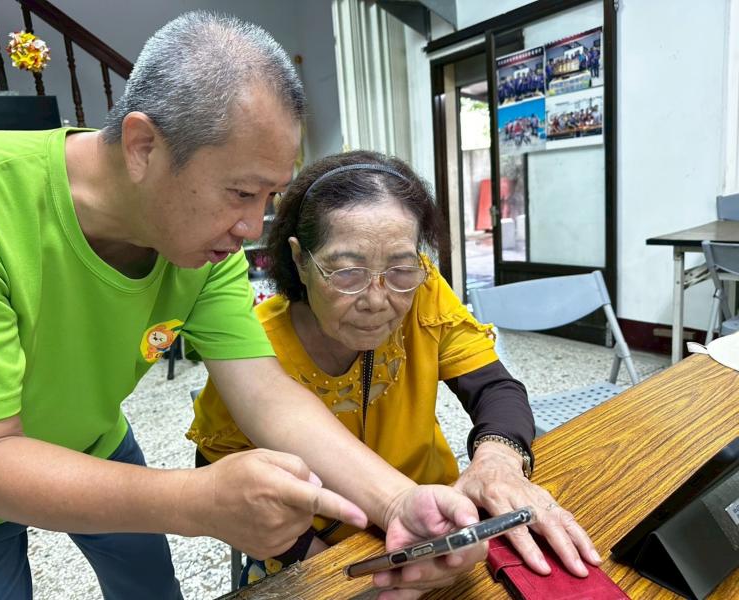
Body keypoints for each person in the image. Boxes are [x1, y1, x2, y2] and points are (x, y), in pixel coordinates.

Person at [0, 12, 491, 600]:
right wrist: (195, 500)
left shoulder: (201, 245)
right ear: (143, 145)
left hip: (95, 438)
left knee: (149, 583)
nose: (253, 226)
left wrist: (397, 500)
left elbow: (267, 394)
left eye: (270, 196)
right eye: (242, 192)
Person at [189, 150, 602, 586]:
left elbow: (495, 388)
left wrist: (496, 462)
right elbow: (219, 464)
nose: (377, 299)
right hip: (317, 546)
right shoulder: (252, 351)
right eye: (347, 272)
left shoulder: (421, 290)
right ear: (299, 261)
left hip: (438, 523)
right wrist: (325, 562)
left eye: (401, 268)